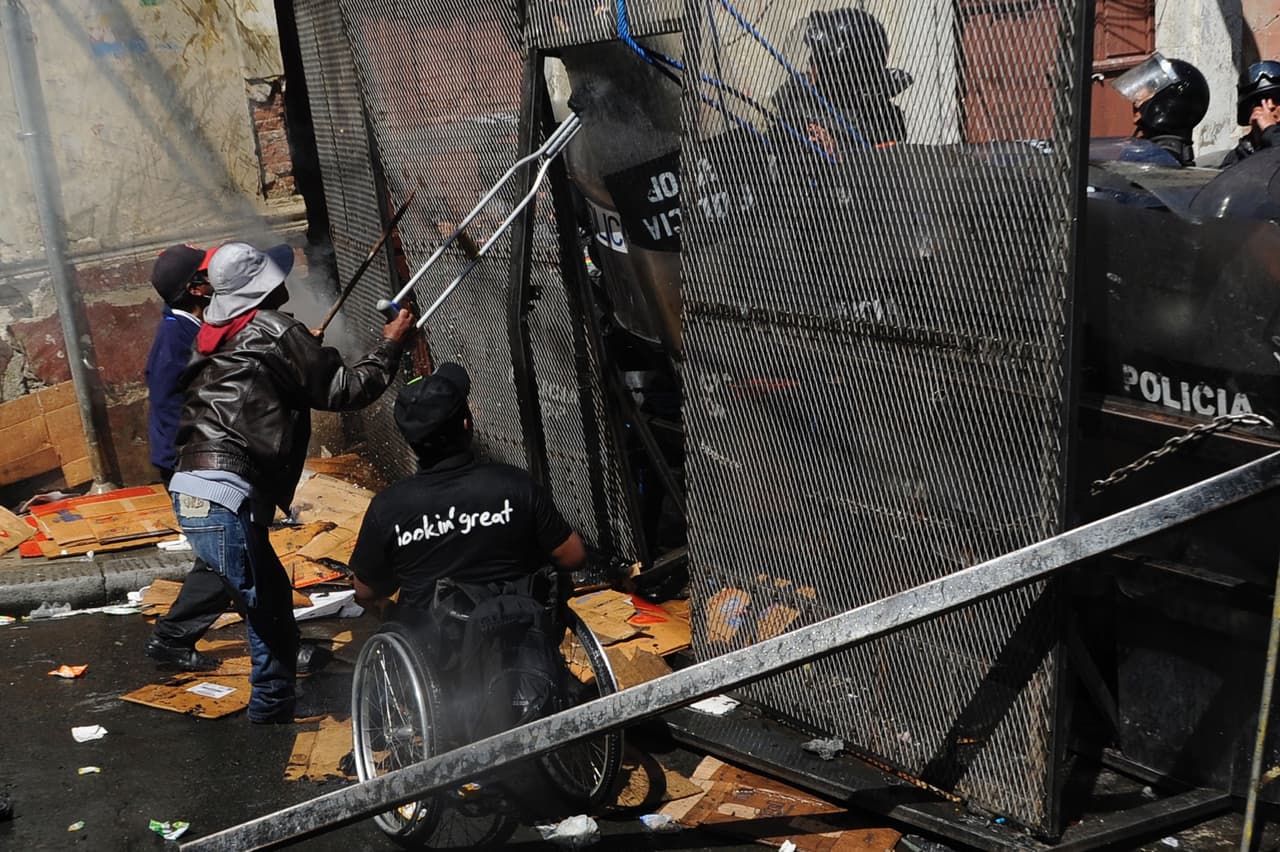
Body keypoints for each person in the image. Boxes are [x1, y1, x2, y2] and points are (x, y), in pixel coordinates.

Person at [157, 241, 415, 723]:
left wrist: (297, 350)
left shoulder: (217, 331)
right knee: (269, 610)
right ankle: (271, 710)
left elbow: (256, 377)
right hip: (223, 489)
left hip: (194, 485)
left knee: (270, 597)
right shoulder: (275, 330)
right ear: (265, 286)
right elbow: (345, 390)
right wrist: (392, 344)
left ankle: (274, 702)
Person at [349, 363, 587, 735]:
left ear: (409, 439)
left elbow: (364, 591)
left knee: (399, 610)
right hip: (520, 632)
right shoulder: (514, 485)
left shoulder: (389, 508)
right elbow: (573, 556)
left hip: (437, 652)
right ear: (465, 425)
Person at [142, 243, 238, 674]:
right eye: (207, 273)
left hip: (194, 461)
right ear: (196, 289)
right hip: (190, 465)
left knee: (230, 552)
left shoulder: (185, 330)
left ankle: (282, 642)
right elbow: (181, 402)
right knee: (225, 559)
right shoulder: (178, 338)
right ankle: (172, 639)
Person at [770, 7, 912, 162]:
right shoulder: (800, 90)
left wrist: (836, 151)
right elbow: (768, 128)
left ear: (838, 74)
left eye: (817, 59)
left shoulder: (884, 125)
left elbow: (880, 172)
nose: (809, 62)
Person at [1111, 53, 1209, 166]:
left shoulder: (1154, 159)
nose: (1136, 99)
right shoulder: (1155, 152)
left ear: (1168, 101)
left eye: (1148, 88)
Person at [1221, 60, 1280, 167]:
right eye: (1259, 101)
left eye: (1277, 99)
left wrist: (1271, 131)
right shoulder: (1237, 156)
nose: (1270, 106)